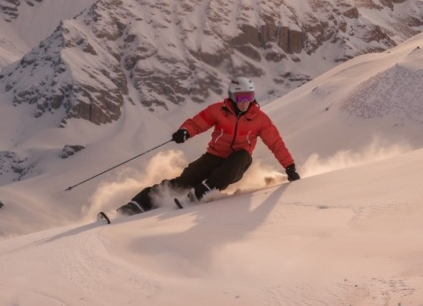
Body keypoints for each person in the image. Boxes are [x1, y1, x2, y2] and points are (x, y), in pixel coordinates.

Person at [117, 77, 300, 215]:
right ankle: (140, 204)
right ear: (232, 97)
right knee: (185, 179)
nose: (245, 102)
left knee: (240, 158)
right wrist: (185, 131)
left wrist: (289, 167)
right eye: (241, 97)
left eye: (249, 97)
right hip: (214, 155)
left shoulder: (260, 120)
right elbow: (198, 123)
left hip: (237, 161)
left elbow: (276, 143)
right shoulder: (218, 111)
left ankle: (203, 191)